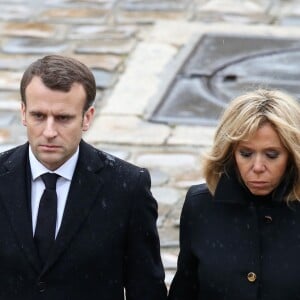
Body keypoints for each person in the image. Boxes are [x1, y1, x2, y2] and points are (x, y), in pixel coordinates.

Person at [0, 54, 167, 300]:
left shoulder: (127, 188)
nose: (49, 132)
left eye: (63, 118)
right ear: (23, 113)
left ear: (87, 117)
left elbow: (146, 289)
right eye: (38, 116)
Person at [168, 89, 300, 300]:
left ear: (293, 155)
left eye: (272, 155)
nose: (257, 167)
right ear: (230, 152)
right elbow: (186, 288)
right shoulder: (201, 205)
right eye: (246, 154)